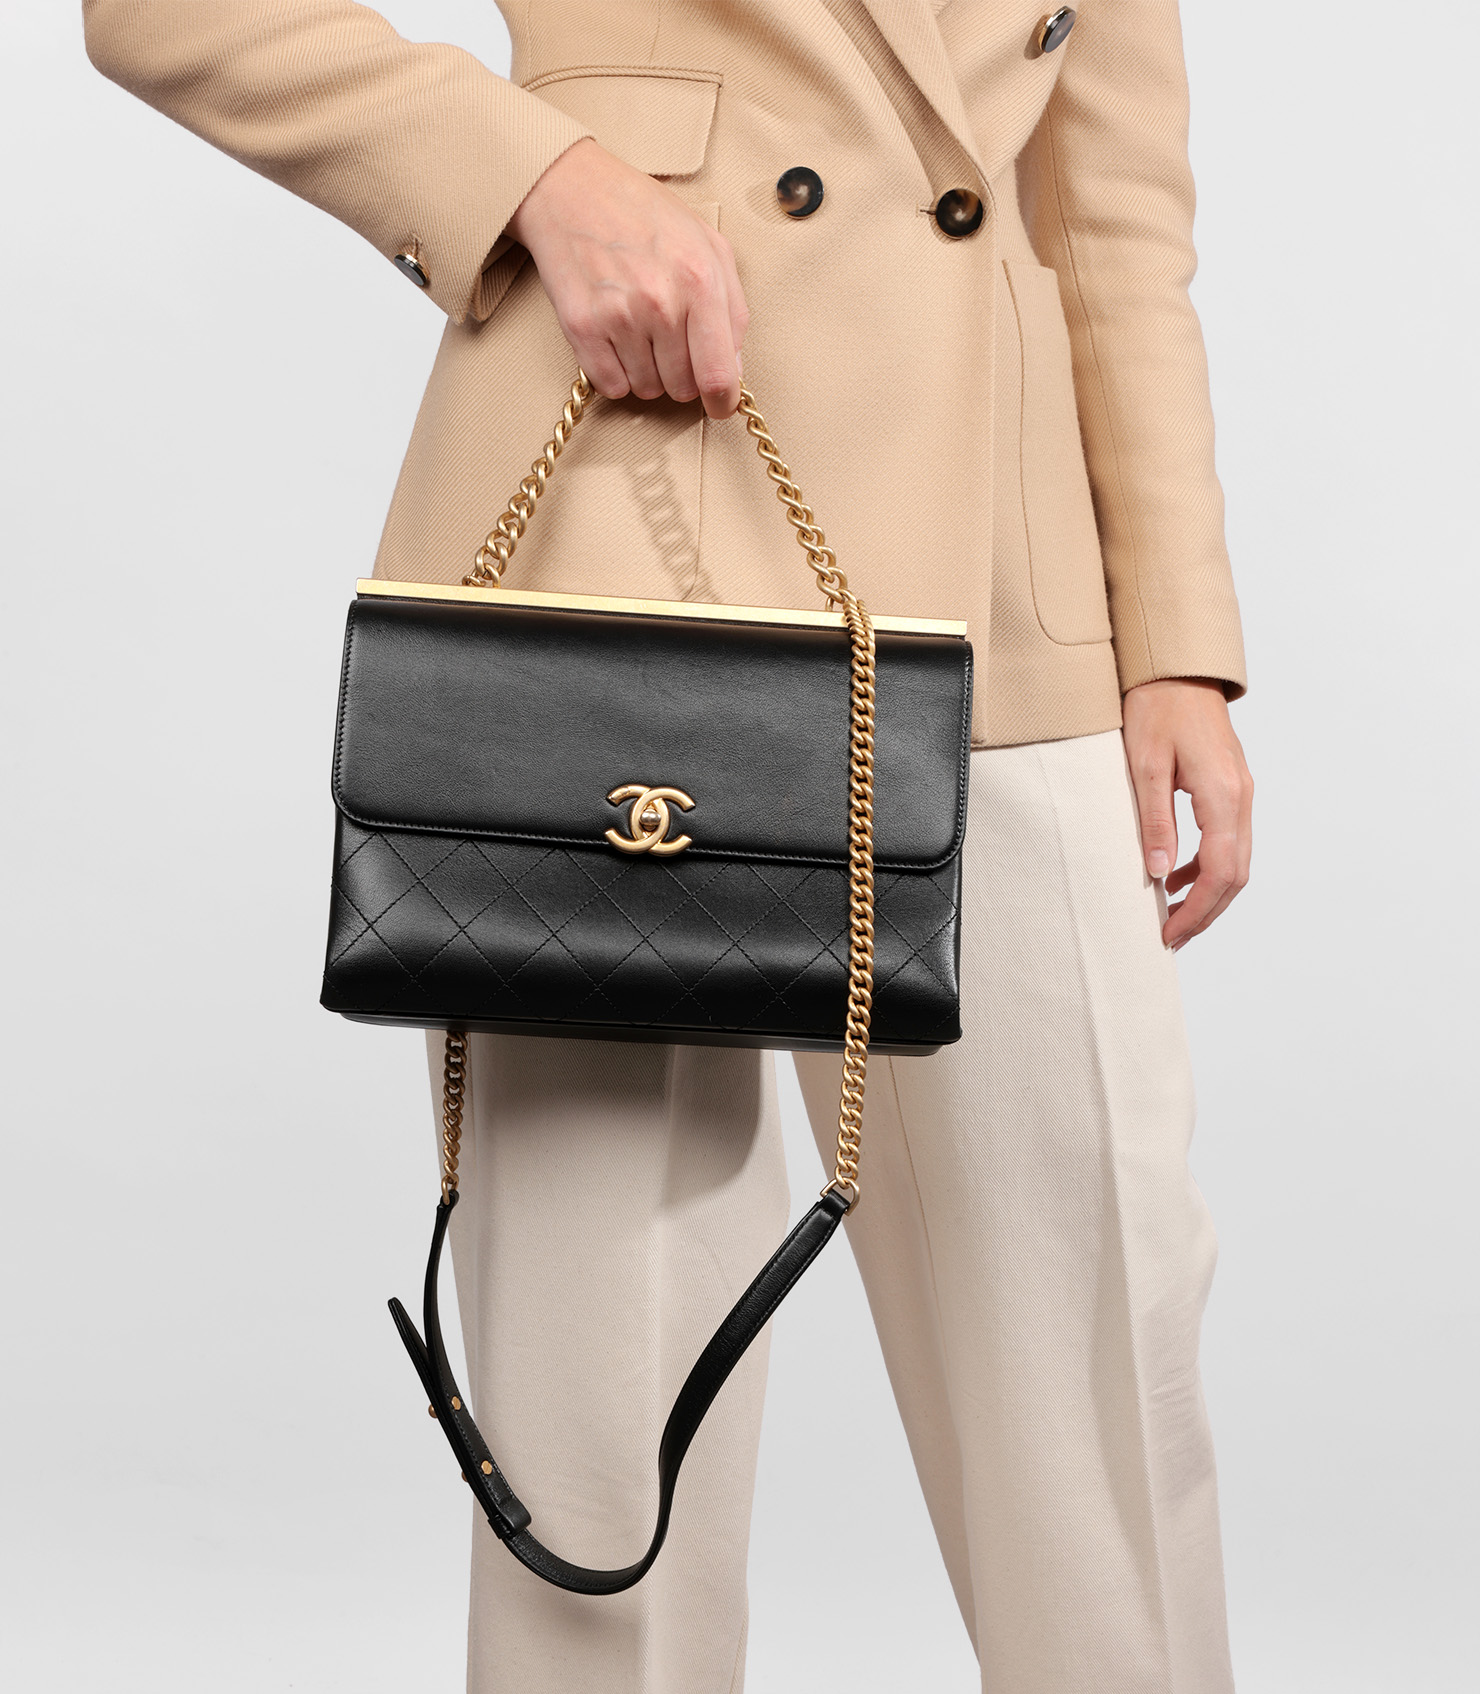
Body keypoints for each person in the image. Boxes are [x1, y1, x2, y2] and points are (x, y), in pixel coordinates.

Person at [83, 2, 1254, 1689]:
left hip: (1010, 597)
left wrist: (1173, 636)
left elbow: (1114, 210)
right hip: (631, 526)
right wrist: (535, 177)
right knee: (599, 1375)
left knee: (1100, 1342)